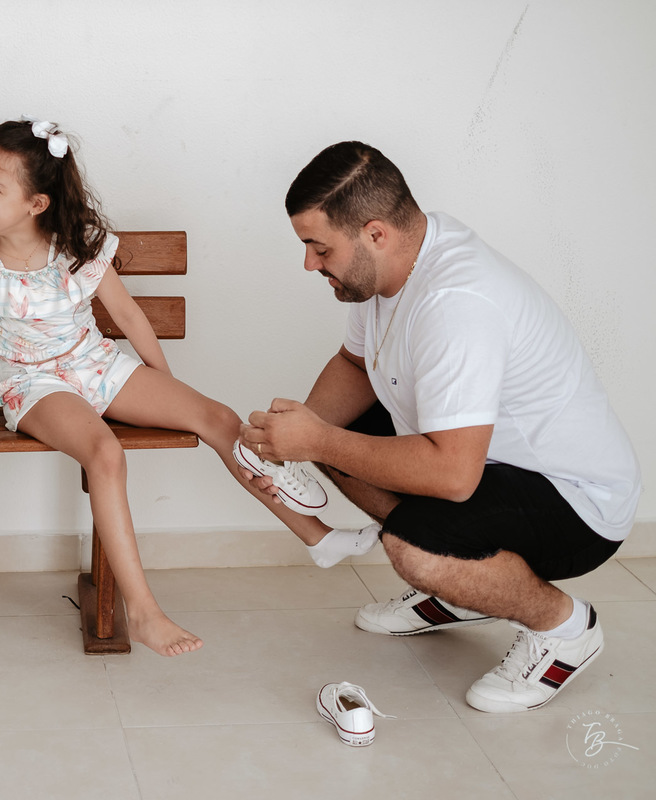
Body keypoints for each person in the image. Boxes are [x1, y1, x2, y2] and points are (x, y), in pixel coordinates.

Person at [0, 119, 372, 656]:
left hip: (99, 365)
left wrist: (168, 389)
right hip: (34, 384)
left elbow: (130, 318)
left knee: (219, 417)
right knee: (106, 453)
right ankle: (143, 612)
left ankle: (316, 537)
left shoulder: (77, 247)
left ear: (38, 203)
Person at [242, 141, 641, 712]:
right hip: (487, 464)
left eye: (319, 247)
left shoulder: (458, 302)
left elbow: (453, 477)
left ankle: (565, 629)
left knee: (415, 548)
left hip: (576, 501)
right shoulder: (392, 266)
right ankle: (462, 593)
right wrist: (290, 444)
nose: (309, 263)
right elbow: (355, 366)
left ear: (376, 233)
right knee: (331, 431)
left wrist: (318, 440)